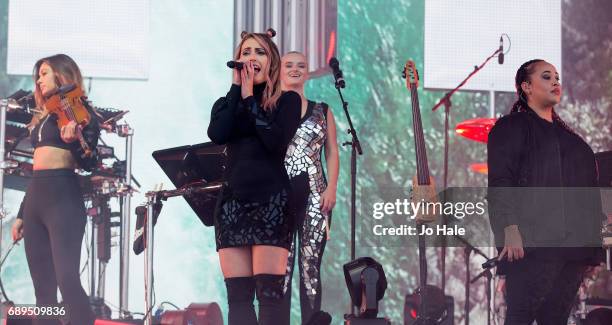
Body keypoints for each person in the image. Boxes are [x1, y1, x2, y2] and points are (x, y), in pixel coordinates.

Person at [488, 59, 603, 324]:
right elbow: (501, 180)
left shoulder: (573, 142)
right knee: (521, 317)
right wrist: (509, 228)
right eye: (547, 77)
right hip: (533, 243)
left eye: (557, 78)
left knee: (556, 319)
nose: (556, 82)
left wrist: (597, 241)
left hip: (573, 249)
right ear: (526, 86)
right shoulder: (510, 128)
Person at [207, 29, 301, 325]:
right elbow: (217, 134)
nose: (251, 58)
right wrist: (237, 91)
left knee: (270, 299)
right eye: (245, 52)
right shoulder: (225, 105)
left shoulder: (287, 101)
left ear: (271, 61)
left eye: (258, 52)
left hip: (271, 203)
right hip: (232, 205)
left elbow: (274, 142)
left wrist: (250, 99)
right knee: (238, 299)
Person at [11, 54, 100, 325]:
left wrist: (74, 142)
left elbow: (90, 162)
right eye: (38, 74)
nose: (39, 79)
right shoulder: (42, 117)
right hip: (37, 198)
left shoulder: (79, 111)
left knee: (67, 280)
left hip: (63, 198)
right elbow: (36, 171)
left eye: (45, 73)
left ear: (62, 75)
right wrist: (22, 213)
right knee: (43, 288)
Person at [278, 51, 339, 324]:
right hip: (279, 198)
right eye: (289, 65)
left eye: (300, 65)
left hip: (316, 196)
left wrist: (332, 188)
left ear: (307, 72)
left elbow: (332, 153)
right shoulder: (270, 108)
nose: (295, 69)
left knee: (310, 268)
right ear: (279, 70)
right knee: (280, 269)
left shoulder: (323, 110)